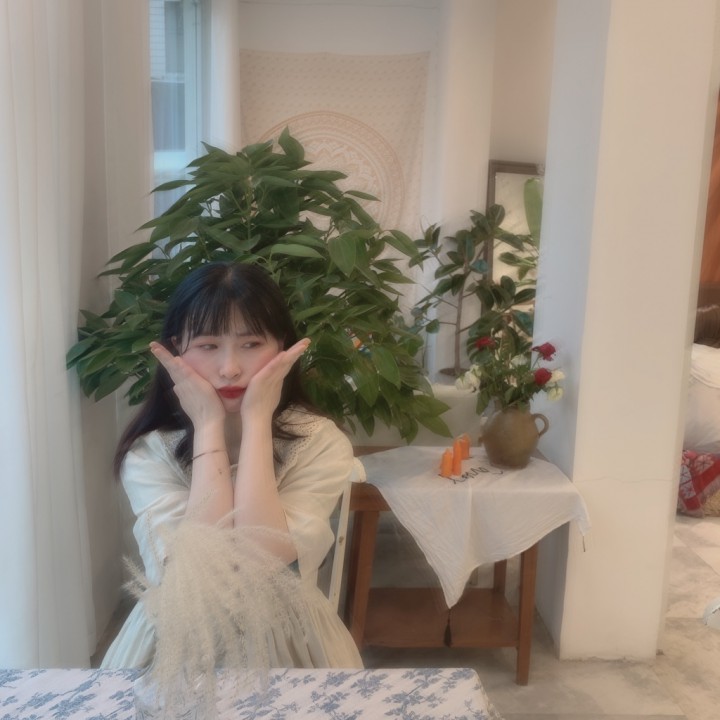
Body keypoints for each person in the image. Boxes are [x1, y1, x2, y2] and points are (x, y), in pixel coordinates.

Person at [101, 261, 362, 670]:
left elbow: (262, 559)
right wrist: (208, 427)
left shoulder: (318, 442)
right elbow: (202, 575)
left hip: (293, 643)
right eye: (208, 346)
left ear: (282, 347)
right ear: (176, 350)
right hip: (173, 644)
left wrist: (257, 422)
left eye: (251, 343)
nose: (230, 368)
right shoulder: (150, 453)